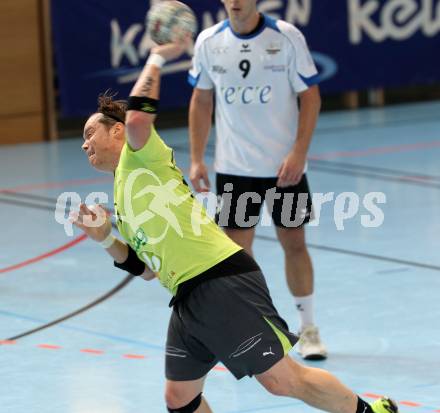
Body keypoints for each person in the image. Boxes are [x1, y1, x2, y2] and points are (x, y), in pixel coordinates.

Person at [72, 32, 398, 413]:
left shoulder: (140, 156)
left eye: (89, 133)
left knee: (282, 380)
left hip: (219, 280)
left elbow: (140, 115)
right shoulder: (122, 201)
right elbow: (145, 270)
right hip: (187, 298)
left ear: (117, 130)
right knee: (180, 398)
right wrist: (104, 238)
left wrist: (158, 57)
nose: (84, 144)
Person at [188, 0, 326, 359]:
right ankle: (253, 329)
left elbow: (310, 97)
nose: (235, 2)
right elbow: (201, 99)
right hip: (235, 167)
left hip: (284, 168)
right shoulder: (208, 42)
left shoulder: (286, 37)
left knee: (294, 244)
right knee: (237, 256)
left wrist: (299, 152)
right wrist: (196, 158)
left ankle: (308, 328)